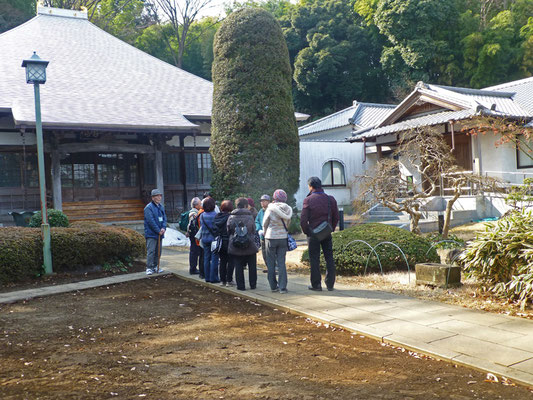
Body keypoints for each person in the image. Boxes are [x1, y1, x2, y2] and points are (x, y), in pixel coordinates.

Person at [300, 176, 339, 291]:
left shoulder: (308, 200)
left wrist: (308, 231)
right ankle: (330, 284)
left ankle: (316, 285)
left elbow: (303, 220)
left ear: (310, 187)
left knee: (314, 259)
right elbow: (336, 216)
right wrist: (330, 228)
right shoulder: (330, 199)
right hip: (326, 232)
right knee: (329, 258)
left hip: (313, 234)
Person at [262, 189, 292, 294]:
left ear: (274, 197)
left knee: (270, 263)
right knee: (281, 262)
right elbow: (288, 223)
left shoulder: (270, 208)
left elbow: (265, 222)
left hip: (270, 237)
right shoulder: (288, 209)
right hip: (283, 238)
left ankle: (273, 286)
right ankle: (283, 287)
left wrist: (265, 232)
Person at [227, 197, 258, 290]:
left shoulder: (231, 217)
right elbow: (253, 230)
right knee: (252, 266)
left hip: (236, 244)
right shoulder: (250, 216)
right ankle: (253, 285)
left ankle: (241, 286)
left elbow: (228, 230)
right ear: (245, 205)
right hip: (249, 244)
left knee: (238, 266)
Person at [144, 189, 167, 275]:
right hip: (151, 233)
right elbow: (151, 221)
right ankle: (149, 267)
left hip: (160, 233)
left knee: (158, 251)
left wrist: (164, 228)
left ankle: (156, 266)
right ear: (153, 197)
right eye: (157, 196)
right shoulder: (148, 208)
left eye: (160, 195)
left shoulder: (161, 207)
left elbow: (165, 218)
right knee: (151, 251)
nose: (159, 197)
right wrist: (158, 230)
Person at [199, 197, 219, 283]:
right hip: (213, 240)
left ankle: (207, 277)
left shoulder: (202, 215)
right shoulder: (215, 215)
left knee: (206, 258)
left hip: (204, 239)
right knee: (214, 259)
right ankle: (213, 278)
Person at [214, 200, 234, 286]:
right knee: (231, 261)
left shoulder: (217, 217)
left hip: (220, 242)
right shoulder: (231, 217)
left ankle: (222, 280)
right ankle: (229, 280)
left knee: (222, 261)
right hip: (229, 241)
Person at [255, 194, 270, 272]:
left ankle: (274, 267)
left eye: (264, 201)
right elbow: (257, 221)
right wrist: (259, 229)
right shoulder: (260, 211)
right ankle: (268, 267)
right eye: (261, 201)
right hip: (262, 236)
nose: (262, 203)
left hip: (270, 235)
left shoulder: (271, 210)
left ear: (268, 202)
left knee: (271, 252)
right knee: (264, 252)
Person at [187, 197, 202, 275]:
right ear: (196, 205)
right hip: (194, 235)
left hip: (192, 234)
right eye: (200, 203)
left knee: (194, 251)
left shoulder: (192, 212)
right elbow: (192, 225)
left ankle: (193, 268)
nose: (201, 205)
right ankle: (193, 268)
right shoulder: (194, 213)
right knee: (194, 252)